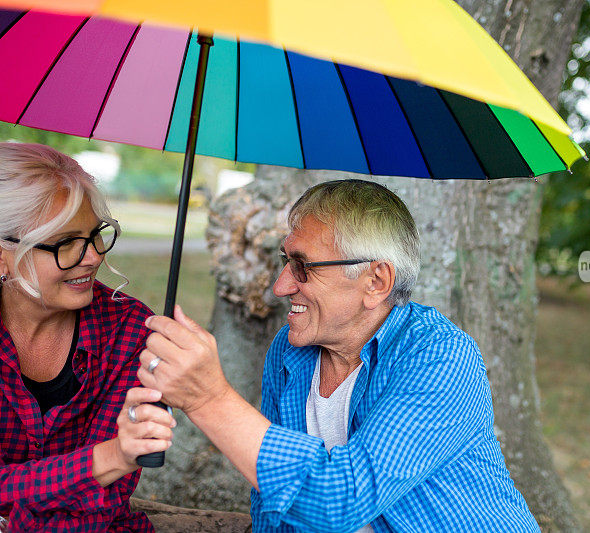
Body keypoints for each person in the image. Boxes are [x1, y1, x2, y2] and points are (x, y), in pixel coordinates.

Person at [140, 179, 540, 532]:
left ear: (375, 281)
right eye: (285, 262)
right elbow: (271, 501)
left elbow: (342, 500)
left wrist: (208, 398)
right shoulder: (290, 350)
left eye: (302, 267)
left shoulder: (439, 356)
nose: (280, 286)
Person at [0, 143, 175, 532]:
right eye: (66, 243)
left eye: (96, 235)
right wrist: (109, 456)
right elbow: (107, 469)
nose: (93, 257)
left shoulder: (129, 330)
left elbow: (103, 503)